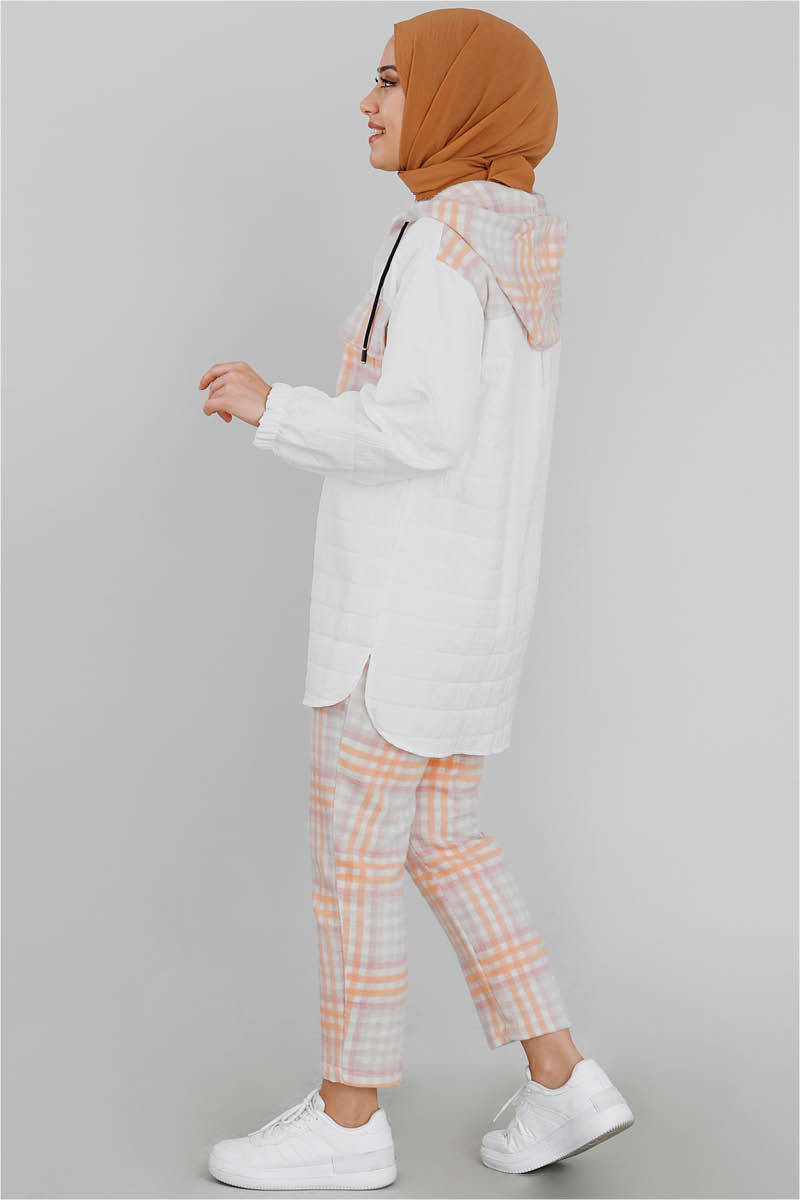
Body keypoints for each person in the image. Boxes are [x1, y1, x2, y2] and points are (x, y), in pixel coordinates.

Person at [199, 7, 634, 1190]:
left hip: (390, 626)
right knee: (443, 840)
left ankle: (348, 1120)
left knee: (352, 857)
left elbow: (420, 427)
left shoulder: (439, 241)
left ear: (456, 100)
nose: (367, 101)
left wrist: (274, 408)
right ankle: (563, 1078)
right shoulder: (515, 241)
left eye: (392, 80)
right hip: (471, 619)